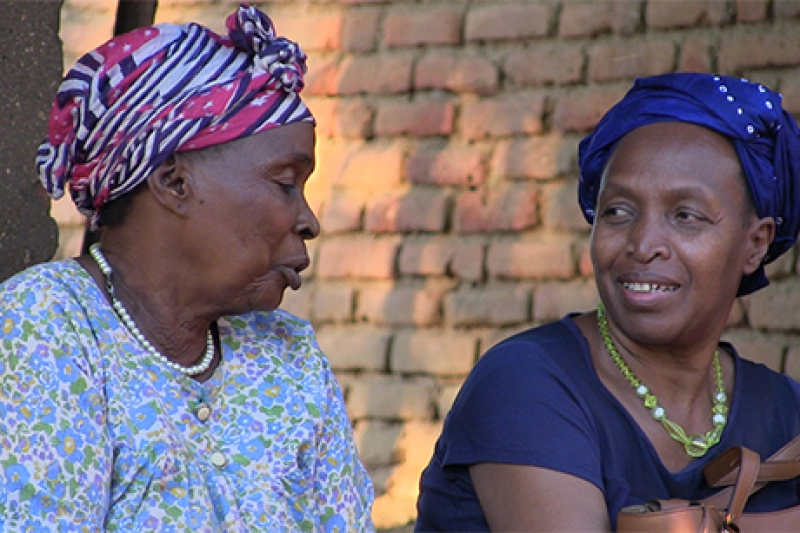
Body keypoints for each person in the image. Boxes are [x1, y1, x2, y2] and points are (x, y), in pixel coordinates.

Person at [0, 4, 374, 531]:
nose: (308, 220)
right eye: (285, 183)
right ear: (174, 182)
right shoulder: (47, 326)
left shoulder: (289, 356)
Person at [414, 73, 800, 531]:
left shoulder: (785, 411)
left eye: (685, 216)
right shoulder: (527, 386)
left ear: (756, 244)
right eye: (618, 211)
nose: (643, 243)